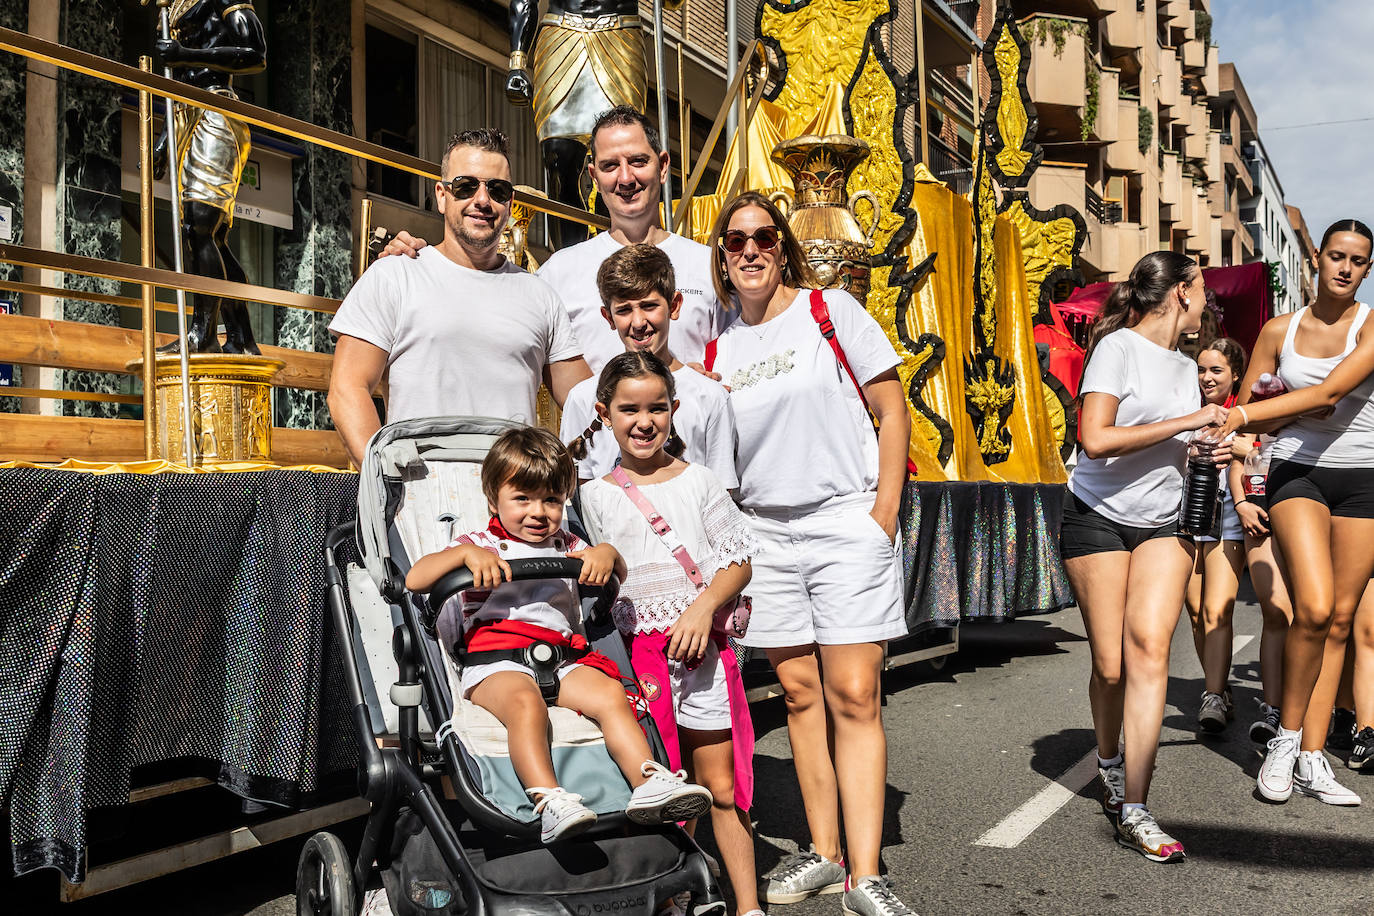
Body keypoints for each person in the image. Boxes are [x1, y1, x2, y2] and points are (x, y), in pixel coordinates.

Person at [702, 192, 915, 916]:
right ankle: (824, 853)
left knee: (854, 692)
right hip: (763, 534)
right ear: (722, 255)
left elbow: (892, 408)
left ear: (783, 246)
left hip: (842, 522)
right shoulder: (718, 348)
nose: (751, 250)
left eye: (764, 237)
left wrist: (883, 514)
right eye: (737, 241)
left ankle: (865, 874)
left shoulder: (831, 311)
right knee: (797, 695)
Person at [405, 426, 713, 844]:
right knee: (525, 705)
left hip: (562, 658)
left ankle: (648, 783)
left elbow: (616, 570)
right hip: (496, 664)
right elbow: (416, 579)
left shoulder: (568, 543)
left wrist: (606, 554)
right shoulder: (479, 544)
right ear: (493, 500)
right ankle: (550, 799)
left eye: (551, 500)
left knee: (610, 695)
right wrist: (462, 556)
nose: (538, 512)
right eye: (522, 499)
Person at [578, 351, 762, 916]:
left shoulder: (699, 481)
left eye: (657, 408)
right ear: (604, 414)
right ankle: (673, 899)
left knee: (722, 788)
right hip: (638, 659)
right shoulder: (592, 496)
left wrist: (702, 611)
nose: (644, 421)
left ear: (674, 409)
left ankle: (748, 906)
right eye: (629, 409)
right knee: (661, 788)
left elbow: (738, 562)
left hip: (704, 654)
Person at [1060, 250, 1227, 863]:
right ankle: (1108, 761)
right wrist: (1189, 420)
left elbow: (1180, 441)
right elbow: (1095, 439)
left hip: (1164, 522)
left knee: (1151, 651)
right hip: (1097, 517)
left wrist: (1205, 447)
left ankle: (1136, 807)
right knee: (1111, 668)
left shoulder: (1187, 367)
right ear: (1181, 292)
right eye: (1202, 290)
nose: (1206, 302)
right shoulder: (1117, 349)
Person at [1218, 219, 1374, 806]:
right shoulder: (1279, 330)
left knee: (1339, 619)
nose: (1345, 268)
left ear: (1367, 270)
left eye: (1357, 260)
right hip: (1297, 473)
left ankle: (1312, 756)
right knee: (1312, 605)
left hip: (1364, 479)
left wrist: (1270, 412)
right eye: (1336, 255)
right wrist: (1246, 459)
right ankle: (1285, 740)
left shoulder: (1370, 326)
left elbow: (1329, 396)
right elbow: (1246, 419)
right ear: (1317, 259)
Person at [382, 107, 726, 372]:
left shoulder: (708, 266)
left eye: (637, 161)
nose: (625, 178)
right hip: (593, 445)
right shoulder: (559, 271)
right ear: (593, 176)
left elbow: (739, 357)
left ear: (663, 166)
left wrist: (705, 383)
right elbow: (483, 318)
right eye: (610, 166)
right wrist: (427, 263)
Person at [327, 128, 592, 467]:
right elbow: (347, 389)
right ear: (442, 196)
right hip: (420, 489)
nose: (483, 200)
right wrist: (382, 480)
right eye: (466, 186)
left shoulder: (540, 294)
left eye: (497, 190)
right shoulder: (395, 275)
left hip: (513, 492)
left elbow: (586, 403)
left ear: (510, 203)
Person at [563, 243, 737, 486]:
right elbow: (577, 493)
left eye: (649, 306)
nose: (638, 322)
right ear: (609, 317)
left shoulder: (711, 397)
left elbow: (721, 493)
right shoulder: (583, 398)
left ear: (674, 306)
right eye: (624, 310)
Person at [1184, 337, 1247, 733]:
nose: (1207, 377)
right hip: (1188, 516)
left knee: (1216, 610)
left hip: (1228, 519)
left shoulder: (1247, 410)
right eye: (1202, 369)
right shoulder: (1185, 408)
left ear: (1235, 374)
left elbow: (1265, 448)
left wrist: (1237, 444)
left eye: (1216, 370)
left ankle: (1212, 695)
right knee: (1195, 612)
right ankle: (1219, 687)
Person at [1229, 430, 1293, 744]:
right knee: (1276, 612)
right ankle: (1274, 708)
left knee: (1318, 615)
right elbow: (1237, 462)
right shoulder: (1257, 412)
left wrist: (1255, 452)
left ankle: (1320, 708)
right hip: (1261, 511)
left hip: (1312, 506)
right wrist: (1241, 503)